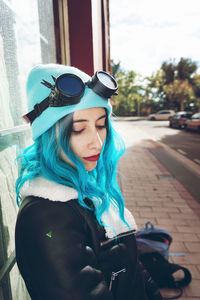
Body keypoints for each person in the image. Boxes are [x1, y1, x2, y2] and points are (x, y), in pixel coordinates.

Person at [15, 64, 162, 300]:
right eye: (78, 129)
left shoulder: (87, 187)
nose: (96, 142)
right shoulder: (47, 218)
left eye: (101, 125)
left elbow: (132, 270)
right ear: (49, 134)